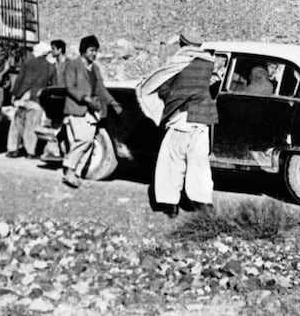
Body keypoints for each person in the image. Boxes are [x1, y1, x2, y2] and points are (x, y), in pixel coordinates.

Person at [137, 30, 219, 218]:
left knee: (171, 162)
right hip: (202, 121)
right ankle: (204, 204)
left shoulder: (176, 63)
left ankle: (170, 205)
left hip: (180, 120)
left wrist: (172, 96)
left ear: (182, 44)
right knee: (199, 164)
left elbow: (163, 88)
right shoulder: (209, 63)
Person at [60, 35, 123, 188]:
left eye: (96, 51)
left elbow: (100, 88)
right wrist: (86, 99)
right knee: (84, 140)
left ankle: (75, 172)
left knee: (87, 142)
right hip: (77, 109)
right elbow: (70, 87)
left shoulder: (95, 68)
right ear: (83, 50)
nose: (94, 54)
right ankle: (69, 169)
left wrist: (112, 101)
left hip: (92, 111)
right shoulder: (72, 65)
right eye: (91, 50)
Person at [6, 42, 55, 159]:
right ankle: (30, 152)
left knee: (17, 124)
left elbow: (20, 79)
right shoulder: (51, 67)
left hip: (23, 97)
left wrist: (15, 94)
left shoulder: (27, 63)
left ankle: (13, 149)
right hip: (37, 99)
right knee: (32, 125)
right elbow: (53, 84)